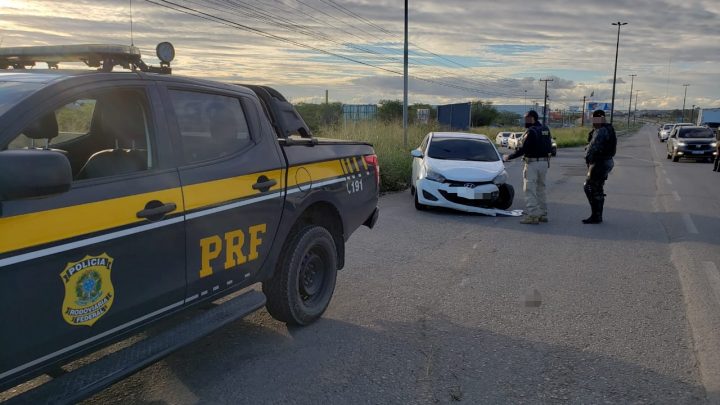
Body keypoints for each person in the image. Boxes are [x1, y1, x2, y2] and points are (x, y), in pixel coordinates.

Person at [503, 110, 553, 224]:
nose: (525, 121)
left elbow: (523, 149)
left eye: (526, 118)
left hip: (532, 163)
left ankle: (533, 215)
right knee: (541, 189)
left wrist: (508, 157)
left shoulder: (531, 132)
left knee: (529, 189)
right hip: (544, 163)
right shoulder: (545, 129)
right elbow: (549, 147)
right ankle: (542, 214)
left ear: (532, 118)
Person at [583, 109, 617, 224]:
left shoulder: (601, 130)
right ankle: (597, 215)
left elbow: (593, 147)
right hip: (607, 161)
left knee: (589, 187)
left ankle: (596, 216)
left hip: (600, 162)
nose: (593, 121)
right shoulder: (609, 128)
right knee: (597, 188)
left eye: (595, 119)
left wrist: (588, 159)